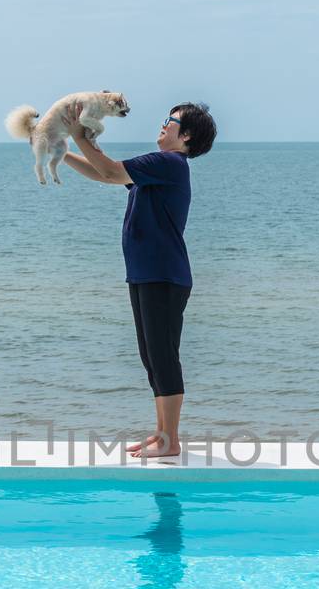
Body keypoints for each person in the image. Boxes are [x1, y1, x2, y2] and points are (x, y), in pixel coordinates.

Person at [62, 100, 218, 459]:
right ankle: (161, 433)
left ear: (187, 136)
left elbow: (112, 171)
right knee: (151, 356)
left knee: (163, 356)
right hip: (147, 274)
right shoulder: (159, 169)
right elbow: (104, 174)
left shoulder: (169, 163)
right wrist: (62, 152)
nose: (164, 125)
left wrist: (76, 134)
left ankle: (170, 440)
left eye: (172, 121)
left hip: (164, 274)